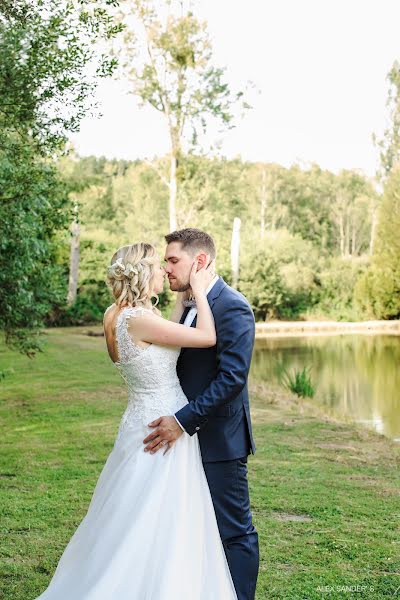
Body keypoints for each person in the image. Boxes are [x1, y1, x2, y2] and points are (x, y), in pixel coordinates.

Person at [35, 241, 238, 600]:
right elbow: (206, 337)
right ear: (143, 273)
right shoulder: (139, 320)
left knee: (131, 510)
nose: (164, 271)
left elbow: (164, 341)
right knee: (161, 514)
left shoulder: (115, 315)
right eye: (159, 266)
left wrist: (180, 301)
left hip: (139, 419)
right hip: (163, 423)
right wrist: (201, 292)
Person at [142, 228, 259, 600]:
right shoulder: (189, 305)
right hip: (182, 441)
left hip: (218, 439)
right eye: (166, 260)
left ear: (201, 261)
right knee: (192, 527)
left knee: (234, 530)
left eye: (174, 260)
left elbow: (232, 379)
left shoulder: (232, 305)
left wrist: (182, 421)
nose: (167, 267)